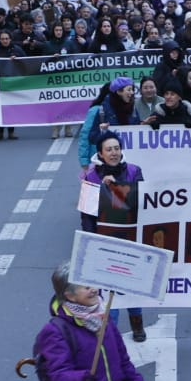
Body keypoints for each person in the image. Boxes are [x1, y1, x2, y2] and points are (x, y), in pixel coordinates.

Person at [81, 131, 147, 341]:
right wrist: (91, 243)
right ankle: (112, 334)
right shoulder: (90, 177)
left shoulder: (134, 171)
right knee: (109, 291)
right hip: (105, 242)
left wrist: (118, 189)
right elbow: (87, 214)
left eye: (117, 148)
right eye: (109, 149)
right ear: (100, 154)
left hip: (131, 239)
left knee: (132, 286)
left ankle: (137, 324)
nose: (114, 153)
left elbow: (143, 201)